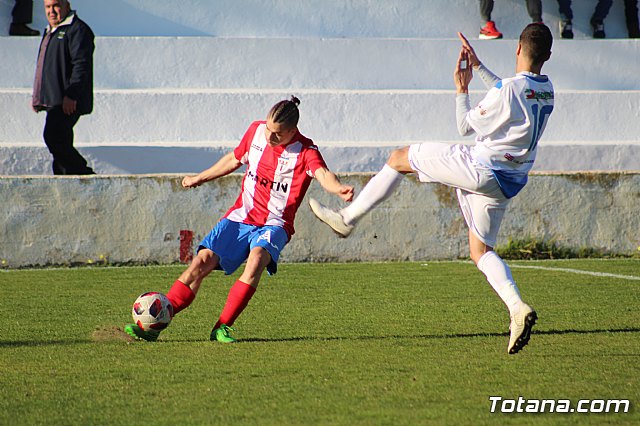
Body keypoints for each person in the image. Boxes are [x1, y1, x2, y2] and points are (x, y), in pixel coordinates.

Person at [310, 24, 554, 355]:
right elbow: (508, 91)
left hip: (480, 168)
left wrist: (461, 88)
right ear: (548, 56)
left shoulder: (510, 90)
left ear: (517, 49)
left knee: (399, 158)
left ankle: (348, 218)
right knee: (480, 252)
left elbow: (465, 125)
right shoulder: (546, 89)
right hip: (507, 181)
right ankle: (516, 308)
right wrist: (480, 67)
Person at [124, 97, 354, 343]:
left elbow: (323, 174)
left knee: (255, 260)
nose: (270, 137)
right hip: (241, 216)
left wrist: (338, 188)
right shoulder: (255, 131)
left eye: (278, 134)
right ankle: (155, 325)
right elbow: (234, 158)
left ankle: (222, 327)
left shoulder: (306, 151)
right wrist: (200, 177)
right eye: (268, 129)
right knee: (200, 263)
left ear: (292, 131)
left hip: (275, 224)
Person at [32, 0, 95, 175]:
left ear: (66, 5)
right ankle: (65, 180)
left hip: (67, 100)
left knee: (53, 136)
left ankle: (85, 174)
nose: (52, 11)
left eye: (56, 6)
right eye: (48, 7)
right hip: (53, 99)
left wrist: (72, 95)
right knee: (61, 142)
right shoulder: (51, 30)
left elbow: (81, 65)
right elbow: (44, 67)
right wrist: (39, 97)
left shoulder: (77, 30)